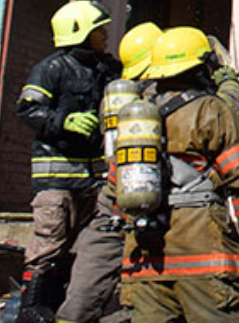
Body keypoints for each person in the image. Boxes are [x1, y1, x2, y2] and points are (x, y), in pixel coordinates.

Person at [119, 27, 239, 323]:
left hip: (146, 254)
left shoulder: (137, 118)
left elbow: (115, 186)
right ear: (200, 67)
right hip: (201, 249)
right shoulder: (210, 110)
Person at [14, 0, 121, 323]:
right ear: (81, 32)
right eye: (99, 30)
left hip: (93, 178)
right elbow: (27, 109)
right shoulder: (51, 68)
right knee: (50, 240)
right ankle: (31, 307)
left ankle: (62, 304)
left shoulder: (107, 69)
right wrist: (64, 121)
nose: (105, 35)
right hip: (55, 178)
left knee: (84, 245)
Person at [52, 22, 162, 323]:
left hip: (112, 194)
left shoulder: (116, 100)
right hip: (156, 195)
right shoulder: (164, 99)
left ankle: (71, 317)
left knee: (94, 262)